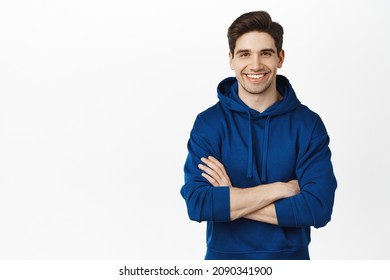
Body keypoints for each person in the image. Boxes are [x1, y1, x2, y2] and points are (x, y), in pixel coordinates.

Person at [180, 10, 337, 260]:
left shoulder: (308, 124)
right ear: (231, 59)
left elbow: (318, 208)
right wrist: (280, 189)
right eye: (245, 54)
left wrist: (229, 199)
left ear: (280, 58)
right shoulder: (209, 124)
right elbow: (198, 204)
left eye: (265, 53)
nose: (255, 65)